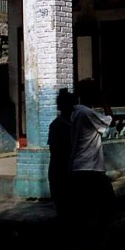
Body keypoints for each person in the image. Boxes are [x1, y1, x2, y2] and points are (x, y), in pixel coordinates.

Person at [68, 78, 115, 250]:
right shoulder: (87, 113)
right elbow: (110, 120)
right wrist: (104, 101)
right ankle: (91, 244)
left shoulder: (77, 112)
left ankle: (84, 244)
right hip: (91, 168)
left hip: (80, 167)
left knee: (85, 207)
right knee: (102, 204)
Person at [47, 88, 77, 226]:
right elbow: (57, 151)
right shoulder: (58, 125)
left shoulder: (68, 124)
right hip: (61, 171)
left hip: (64, 171)